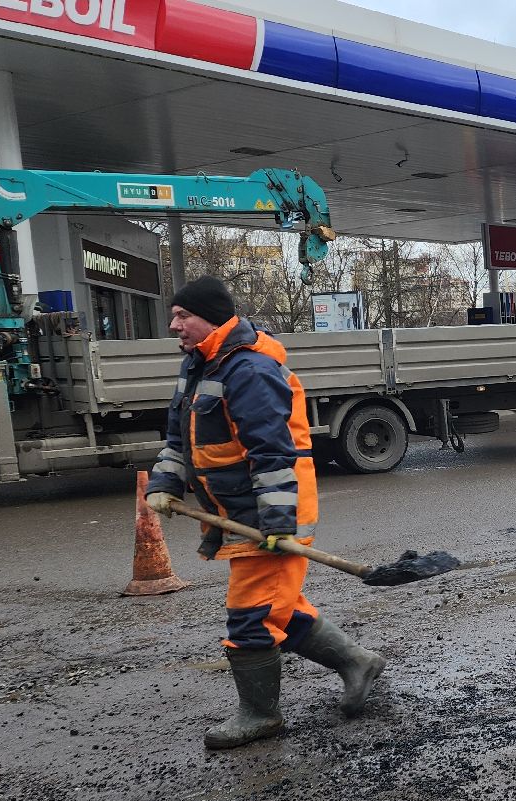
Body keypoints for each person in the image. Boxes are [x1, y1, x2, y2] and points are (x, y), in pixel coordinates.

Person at [145, 276, 385, 750]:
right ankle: (357, 661)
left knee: (251, 616)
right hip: (239, 510)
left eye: (182, 316)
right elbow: (179, 440)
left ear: (210, 317)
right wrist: (164, 483)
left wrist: (276, 528)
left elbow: (273, 454)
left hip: (271, 514)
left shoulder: (249, 370)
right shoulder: (198, 366)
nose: (173, 325)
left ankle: (260, 715)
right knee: (279, 605)